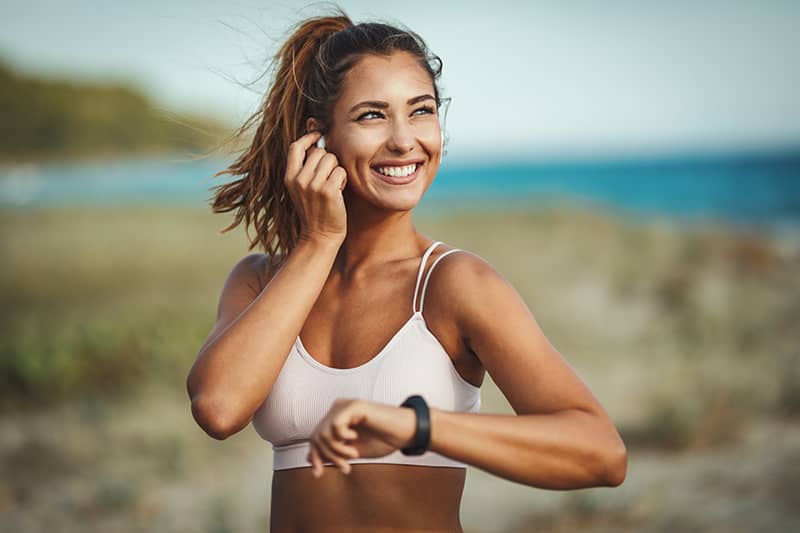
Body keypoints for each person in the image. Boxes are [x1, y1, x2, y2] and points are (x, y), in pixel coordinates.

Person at [186, 8, 626, 533]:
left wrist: (415, 426)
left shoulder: (453, 283)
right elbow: (218, 408)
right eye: (372, 115)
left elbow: (601, 453)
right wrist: (319, 241)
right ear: (317, 138)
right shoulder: (258, 280)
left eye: (421, 111)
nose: (403, 140)